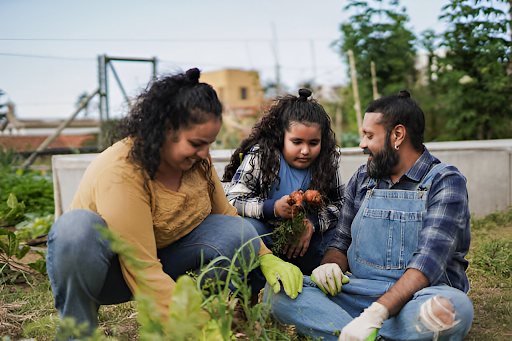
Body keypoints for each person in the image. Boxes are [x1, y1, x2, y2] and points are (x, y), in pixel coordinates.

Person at [46, 68, 303, 339]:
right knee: (76, 228)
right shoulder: (121, 171)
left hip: (160, 260)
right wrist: (196, 328)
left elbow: (226, 213)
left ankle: (213, 313)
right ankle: (78, 331)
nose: (205, 153)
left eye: (209, 144)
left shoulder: (197, 161)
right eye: (196, 143)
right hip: (107, 273)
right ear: (164, 130)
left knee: (234, 231)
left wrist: (266, 257)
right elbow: (141, 267)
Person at [266, 90, 474, 341]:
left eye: (369, 135)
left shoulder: (444, 181)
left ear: (397, 135)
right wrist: (329, 266)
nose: (362, 144)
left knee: (454, 308)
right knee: (277, 292)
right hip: (359, 293)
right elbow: (340, 242)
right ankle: (373, 335)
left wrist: (375, 314)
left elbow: (428, 262)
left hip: (420, 296)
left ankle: (353, 330)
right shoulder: (363, 179)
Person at [223, 88, 345, 283]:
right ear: (281, 137)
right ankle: (251, 292)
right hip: (267, 236)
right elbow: (233, 199)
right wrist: (273, 208)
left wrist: (312, 224)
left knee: (335, 238)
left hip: (304, 241)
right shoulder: (261, 156)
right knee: (247, 232)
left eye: (314, 143)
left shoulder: (326, 162)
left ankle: (314, 284)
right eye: (296, 142)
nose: (305, 150)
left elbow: (341, 205)